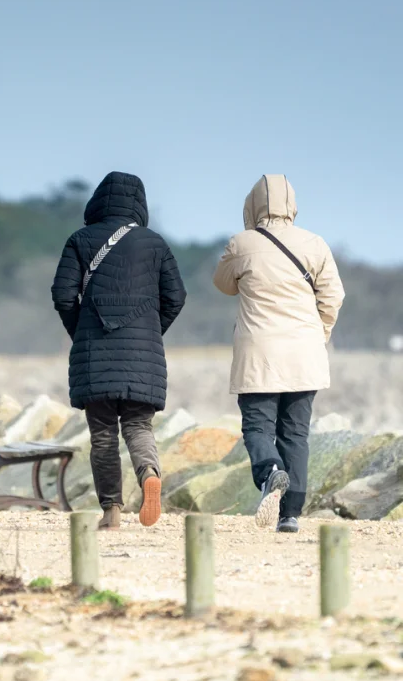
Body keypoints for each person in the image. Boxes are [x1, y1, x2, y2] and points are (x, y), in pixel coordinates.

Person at [51, 171, 186, 530]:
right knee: (139, 425)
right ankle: (149, 474)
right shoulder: (155, 243)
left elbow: (63, 295)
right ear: (139, 204)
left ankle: (111, 511)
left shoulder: (79, 240)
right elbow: (176, 297)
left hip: (94, 355)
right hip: (144, 356)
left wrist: (81, 330)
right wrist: (151, 332)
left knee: (103, 434)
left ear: (98, 200)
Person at [213, 175, 345, 533]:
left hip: (259, 352)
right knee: (296, 433)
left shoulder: (243, 243)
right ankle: (290, 514)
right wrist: (320, 333)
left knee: (258, 426)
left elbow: (223, 284)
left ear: (252, 204)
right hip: (305, 352)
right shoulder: (314, 243)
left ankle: (270, 470)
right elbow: (334, 296)